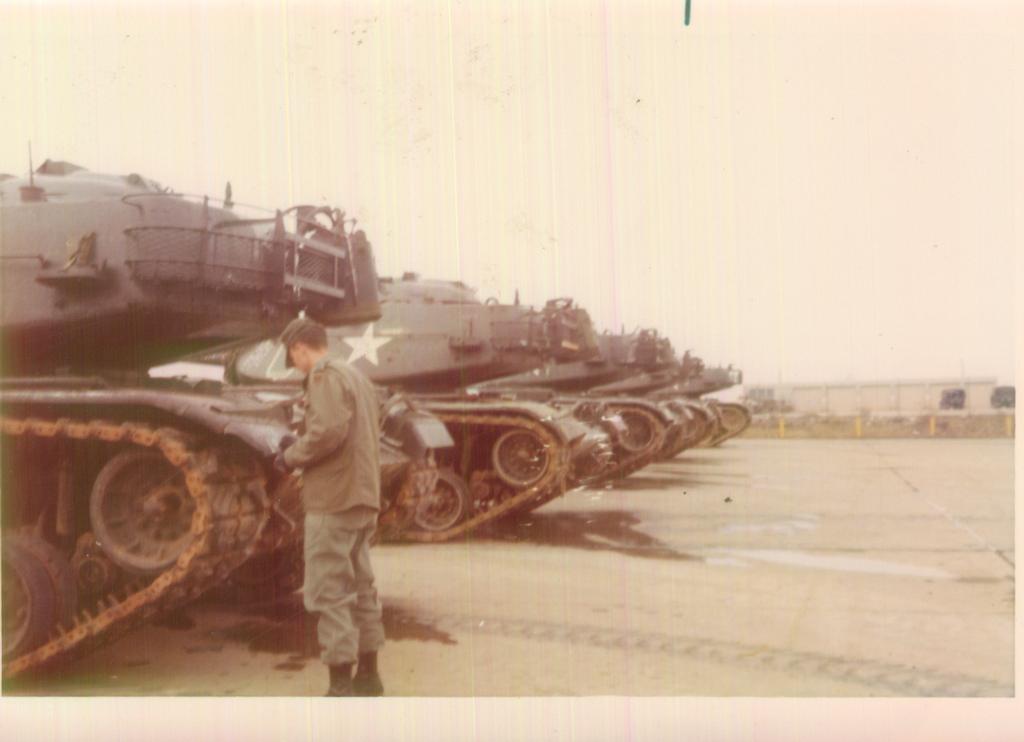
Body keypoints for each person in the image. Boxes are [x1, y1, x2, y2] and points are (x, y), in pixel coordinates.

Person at [275, 317, 386, 697]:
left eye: (295, 359)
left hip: (333, 500)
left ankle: (340, 687)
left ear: (299, 349)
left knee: (329, 591)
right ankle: (369, 677)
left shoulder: (322, 375)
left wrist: (290, 456)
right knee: (361, 586)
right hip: (362, 496)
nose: (298, 366)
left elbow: (327, 432)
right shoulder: (356, 376)